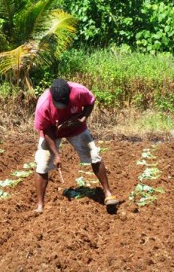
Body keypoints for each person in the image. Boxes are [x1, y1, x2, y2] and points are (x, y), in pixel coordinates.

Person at [33, 78, 119, 212]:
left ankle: (108, 193)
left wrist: (83, 118)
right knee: (42, 164)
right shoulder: (43, 104)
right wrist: (56, 154)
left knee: (94, 154)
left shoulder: (79, 91)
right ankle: (40, 205)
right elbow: (46, 130)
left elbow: (90, 102)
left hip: (76, 128)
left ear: (69, 94)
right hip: (52, 132)